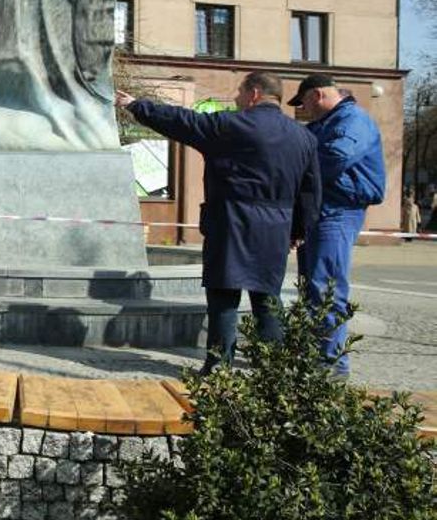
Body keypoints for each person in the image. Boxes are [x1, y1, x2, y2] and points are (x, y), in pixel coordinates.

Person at [116, 71, 321, 374]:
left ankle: (219, 367)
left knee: (224, 297)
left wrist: (136, 105)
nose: (236, 98)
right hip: (275, 226)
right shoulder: (304, 137)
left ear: (254, 93)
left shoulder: (230, 126)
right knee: (268, 298)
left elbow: (183, 121)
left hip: (231, 222)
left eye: (240, 91)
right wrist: (298, 230)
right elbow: (311, 191)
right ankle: (275, 369)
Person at [289, 73, 386, 376]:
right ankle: (313, 356)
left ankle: (330, 366)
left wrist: (294, 169)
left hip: (338, 211)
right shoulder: (326, 123)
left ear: (317, 95)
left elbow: (333, 158)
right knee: (312, 288)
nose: (302, 109)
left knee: (326, 287)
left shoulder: (352, 120)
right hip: (320, 210)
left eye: (303, 102)